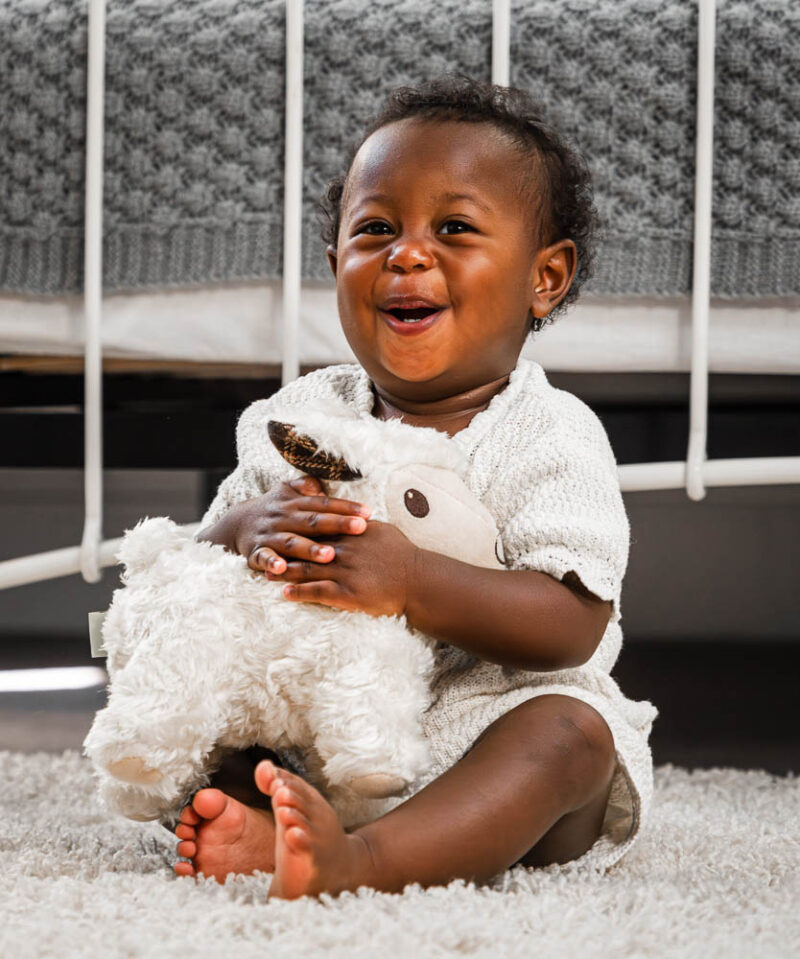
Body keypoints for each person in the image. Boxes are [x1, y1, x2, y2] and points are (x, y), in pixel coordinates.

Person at [171, 75, 657, 899]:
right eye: (376, 229)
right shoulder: (299, 417)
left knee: (572, 735)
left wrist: (412, 580)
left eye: (455, 227)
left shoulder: (551, 430)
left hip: (489, 734)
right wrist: (247, 527)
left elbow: (573, 621)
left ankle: (366, 861)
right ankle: (268, 827)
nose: (407, 253)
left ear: (546, 277)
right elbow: (193, 570)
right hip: (325, 735)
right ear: (337, 265)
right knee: (202, 718)